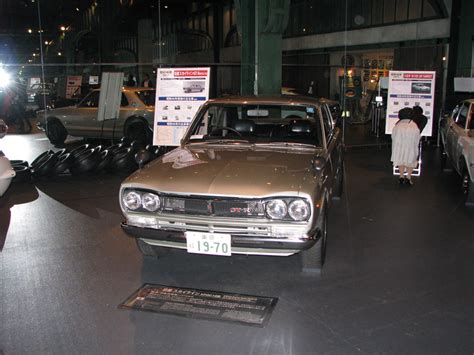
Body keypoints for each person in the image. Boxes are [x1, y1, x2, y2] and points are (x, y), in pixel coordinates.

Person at [390, 107, 420, 186]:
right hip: (410, 147)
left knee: (400, 159)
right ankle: (408, 178)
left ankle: (401, 176)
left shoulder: (397, 125)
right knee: (410, 160)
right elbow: (417, 137)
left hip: (399, 146)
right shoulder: (413, 125)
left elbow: (393, 136)